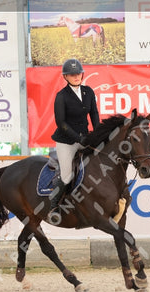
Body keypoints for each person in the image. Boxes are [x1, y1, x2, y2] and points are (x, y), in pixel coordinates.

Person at [49, 58, 100, 221]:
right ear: (65, 77)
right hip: (67, 141)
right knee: (67, 175)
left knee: (99, 166)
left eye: (78, 73)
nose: (76, 76)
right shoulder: (61, 96)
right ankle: (54, 206)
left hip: (85, 137)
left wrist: (97, 135)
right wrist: (79, 138)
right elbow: (61, 123)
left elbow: (94, 114)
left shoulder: (88, 91)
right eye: (72, 74)